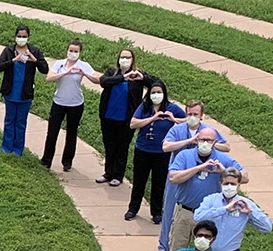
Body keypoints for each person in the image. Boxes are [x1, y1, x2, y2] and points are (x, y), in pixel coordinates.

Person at [158, 128, 245, 251]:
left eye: (209, 140)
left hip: (209, 216)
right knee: (177, 247)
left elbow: (244, 176)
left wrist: (223, 172)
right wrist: (199, 168)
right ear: (196, 139)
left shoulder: (222, 159)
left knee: (206, 249)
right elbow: (173, 177)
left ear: (215, 143)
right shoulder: (185, 156)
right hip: (185, 211)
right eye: (202, 139)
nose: (205, 143)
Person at [125, 80, 184, 222]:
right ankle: (133, 208)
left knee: (159, 183)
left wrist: (173, 119)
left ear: (164, 93)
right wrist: (153, 118)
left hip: (162, 153)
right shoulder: (144, 107)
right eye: (153, 92)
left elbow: (188, 121)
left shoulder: (171, 108)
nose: (156, 95)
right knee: (139, 181)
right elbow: (133, 124)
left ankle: (156, 212)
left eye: (159, 92)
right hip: (143, 150)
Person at [96, 49, 154, 188]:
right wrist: (123, 77)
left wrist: (142, 78)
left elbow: (156, 83)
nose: (125, 60)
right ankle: (108, 173)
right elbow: (104, 81)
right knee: (109, 145)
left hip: (126, 119)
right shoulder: (112, 72)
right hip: (108, 116)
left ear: (133, 60)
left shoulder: (137, 75)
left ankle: (117, 175)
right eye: (122, 57)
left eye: (128, 57)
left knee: (122, 146)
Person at [39, 39, 100, 171]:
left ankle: (67, 162)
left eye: (75, 51)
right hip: (59, 103)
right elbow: (49, 78)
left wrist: (84, 73)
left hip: (76, 104)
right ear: (67, 50)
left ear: (80, 52)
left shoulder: (83, 65)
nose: (73, 53)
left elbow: (97, 80)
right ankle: (46, 160)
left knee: (71, 133)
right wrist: (65, 72)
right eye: (71, 50)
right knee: (52, 132)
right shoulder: (59, 64)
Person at [0, 24, 48, 156]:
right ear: (15, 36)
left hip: (25, 94)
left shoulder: (34, 51)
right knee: (9, 120)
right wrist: (13, 60)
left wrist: (34, 60)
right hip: (10, 92)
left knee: (21, 122)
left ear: (28, 37)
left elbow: (44, 69)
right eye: (19, 36)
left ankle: (18, 150)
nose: (21, 38)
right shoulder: (9, 51)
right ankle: (6, 148)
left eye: (24, 36)